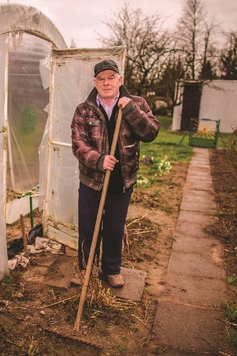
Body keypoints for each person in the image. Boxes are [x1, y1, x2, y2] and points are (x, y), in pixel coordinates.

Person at [71, 59, 160, 288]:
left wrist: (130, 110)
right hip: (92, 180)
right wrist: (99, 160)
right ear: (94, 82)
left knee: (114, 227)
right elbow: (78, 144)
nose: (106, 82)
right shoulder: (84, 109)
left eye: (111, 77)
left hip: (122, 181)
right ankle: (85, 269)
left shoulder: (137, 103)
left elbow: (150, 132)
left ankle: (111, 269)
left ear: (120, 80)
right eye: (101, 78)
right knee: (88, 227)